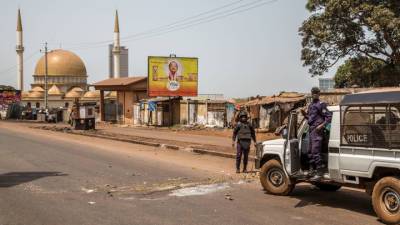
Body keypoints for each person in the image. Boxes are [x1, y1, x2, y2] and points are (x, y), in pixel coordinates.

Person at [301, 87, 332, 181]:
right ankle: (311, 170)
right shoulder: (310, 105)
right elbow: (310, 119)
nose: (314, 94)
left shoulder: (321, 104)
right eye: (313, 93)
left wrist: (322, 126)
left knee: (315, 151)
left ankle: (320, 172)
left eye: (316, 93)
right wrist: (304, 114)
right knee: (309, 151)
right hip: (311, 130)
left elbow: (329, 117)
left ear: (319, 94)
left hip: (318, 131)